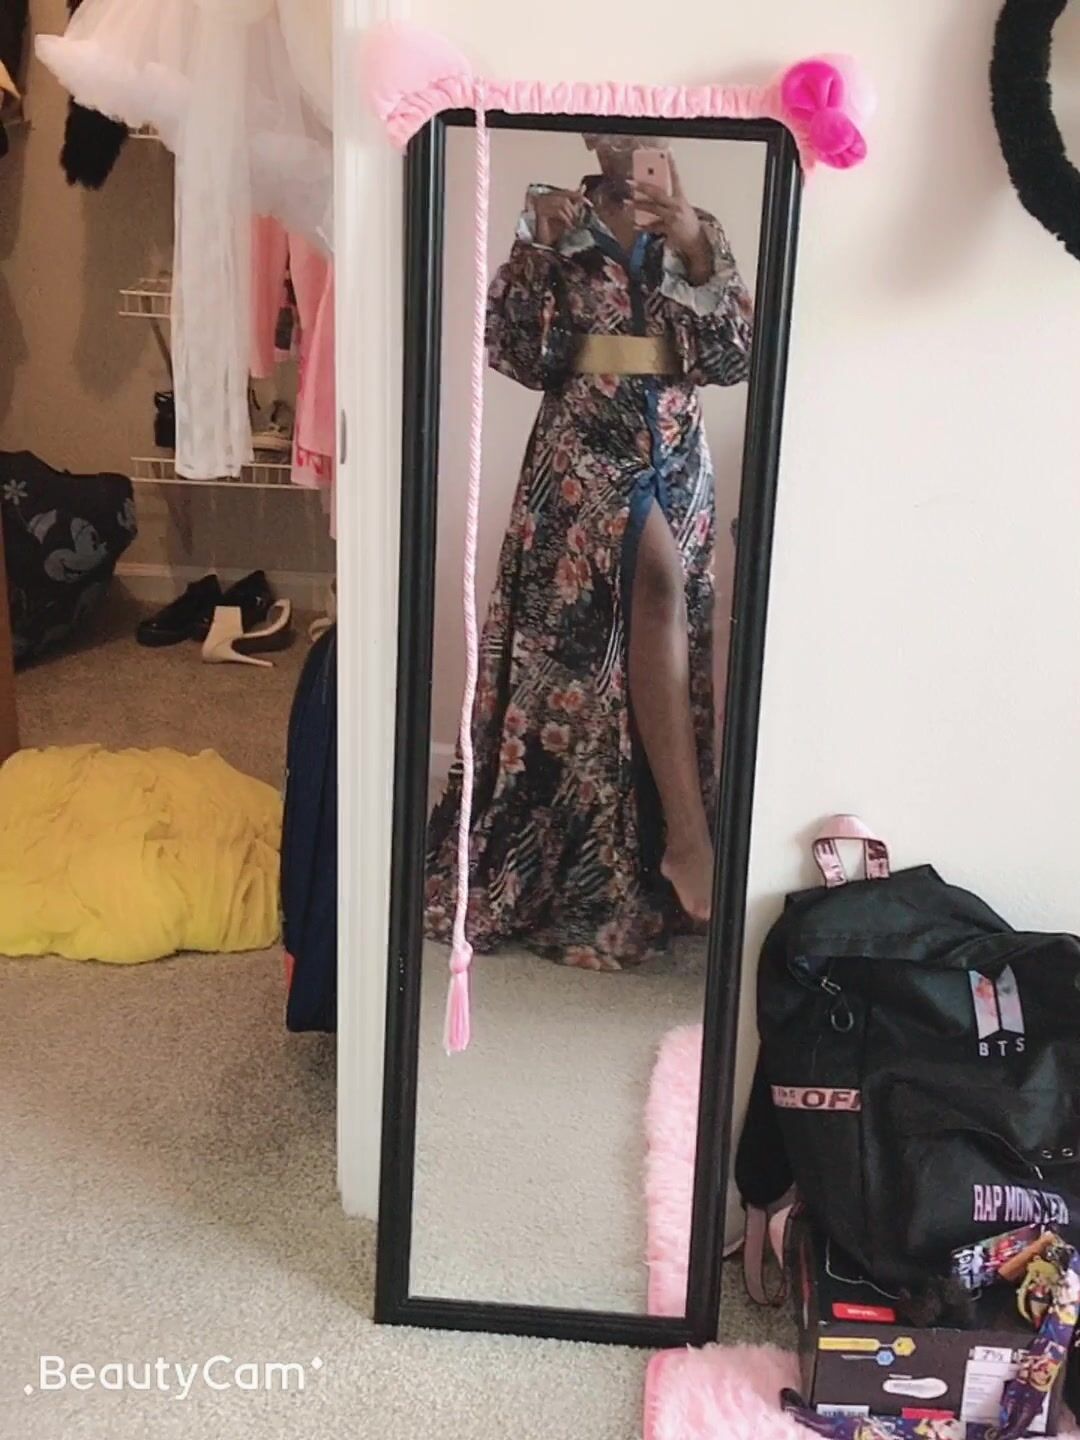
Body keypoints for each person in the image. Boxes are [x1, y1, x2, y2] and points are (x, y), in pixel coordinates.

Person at [425, 134, 753, 970]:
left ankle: (663, 846)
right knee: (649, 600)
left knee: (654, 624)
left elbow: (734, 358)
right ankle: (689, 841)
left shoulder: (696, 227)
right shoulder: (557, 220)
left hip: (675, 452)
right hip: (580, 451)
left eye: (640, 131)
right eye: (608, 130)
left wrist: (691, 244)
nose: (626, 143)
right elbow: (515, 355)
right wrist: (537, 250)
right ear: (587, 134)